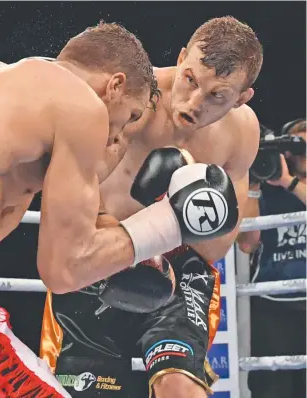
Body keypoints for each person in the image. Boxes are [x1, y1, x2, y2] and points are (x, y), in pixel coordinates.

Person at [0, 22, 239, 397]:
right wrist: (169, 222)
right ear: (114, 86)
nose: (117, 138)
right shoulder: (82, 107)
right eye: (132, 117)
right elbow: (63, 270)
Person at [40, 16, 263, 398]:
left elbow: (216, 247)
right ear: (180, 59)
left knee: (180, 388)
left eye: (217, 96)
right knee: (80, 390)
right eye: (190, 79)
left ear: (241, 98)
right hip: (99, 251)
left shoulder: (241, 133)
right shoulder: (132, 101)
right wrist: (124, 235)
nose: (195, 102)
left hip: (180, 268)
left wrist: (180, 212)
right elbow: (70, 185)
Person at [237, 119, 306, 398]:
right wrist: (253, 184)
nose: (301, 153)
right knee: (272, 390)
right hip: (272, 305)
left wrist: (291, 183)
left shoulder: (288, 185)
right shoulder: (267, 190)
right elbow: (247, 244)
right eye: (297, 147)